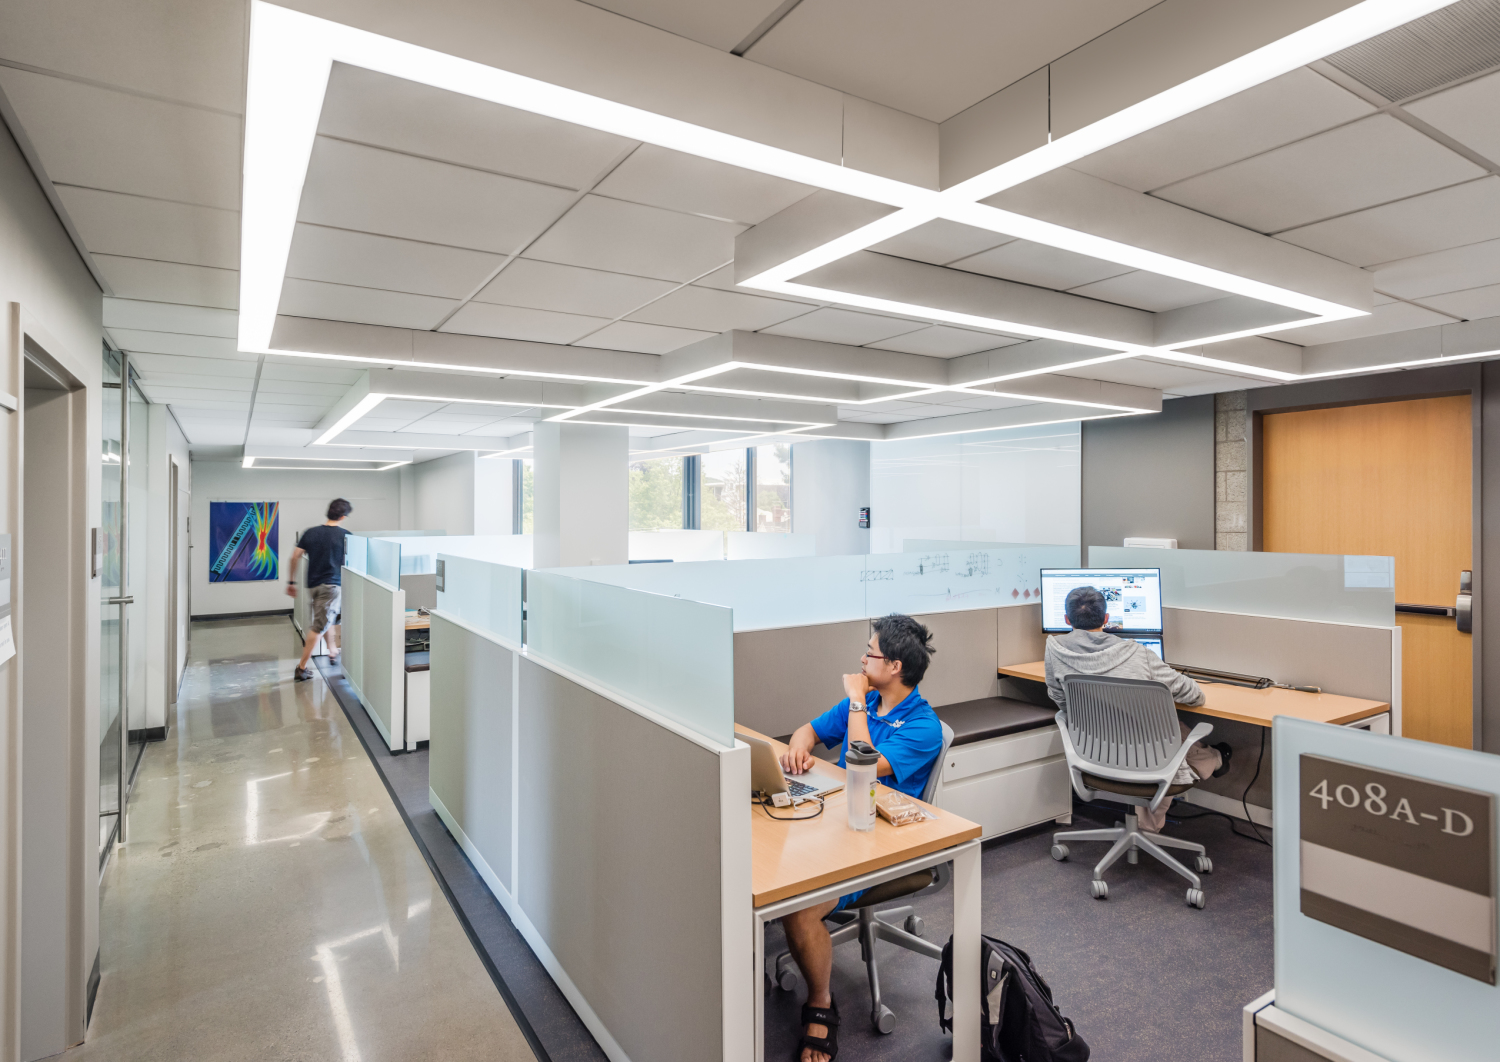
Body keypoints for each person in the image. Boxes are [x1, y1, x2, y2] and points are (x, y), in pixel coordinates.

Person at [776, 614, 944, 1062]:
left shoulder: (921, 726)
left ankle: (820, 1005)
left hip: (885, 845)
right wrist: (799, 747)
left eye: (869, 652)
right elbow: (809, 730)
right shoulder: (867, 700)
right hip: (844, 824)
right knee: (778, 864)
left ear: (893, 667)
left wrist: (854, 700)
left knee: (802, 906)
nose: (861, 659)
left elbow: (860, 761)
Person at [1045, 584, 1231, 832]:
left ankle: (1149, 822)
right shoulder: (1137, 653)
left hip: (1094, 753)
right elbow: (1194, 695)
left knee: (1174, 729)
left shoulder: (1055, 651)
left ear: (1067, 619)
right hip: (1145, 758)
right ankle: (1215, 758)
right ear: (1107, 619)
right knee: (1164, 732)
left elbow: (1061, 700)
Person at [286, 499, 353, 682]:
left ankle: (332, 651)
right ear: (343, 516)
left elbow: (294, 557)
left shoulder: (311, 533)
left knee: (326, 620)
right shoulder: (346, 536)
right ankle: (301, 668)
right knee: (319, 626)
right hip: (331, 586)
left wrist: (291, 581)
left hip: (313, 586)